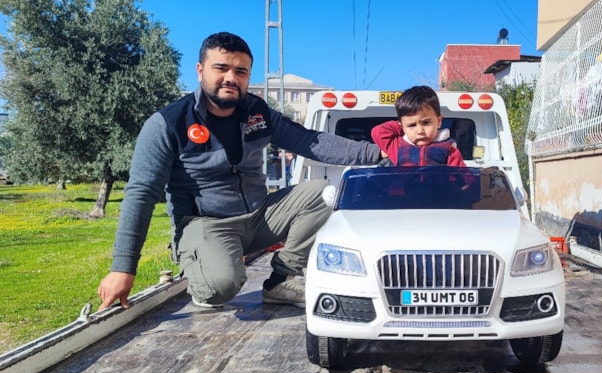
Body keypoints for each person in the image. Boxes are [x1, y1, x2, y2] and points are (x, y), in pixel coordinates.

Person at [97, 32, 385, 310]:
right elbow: (141, 194)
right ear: (200, 70)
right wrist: (123, 267)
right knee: (221, 288)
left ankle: (281, 281)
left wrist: (380, 154)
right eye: (221, 68)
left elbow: (310, 141)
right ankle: (206, 266)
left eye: (241, 71)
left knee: (323, 194)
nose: (231, 78)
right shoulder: (167, 123)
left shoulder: (257, 112)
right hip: (207, 224)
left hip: (259, 217)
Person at [371, 85, 466, 167]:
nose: (420, 131)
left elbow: (464, 179)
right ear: (403, 126)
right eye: (412, 125)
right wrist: (403, 126)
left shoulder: (449, 149)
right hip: (405, 189)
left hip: (435, 188)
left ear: (439, 121)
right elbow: (378, 132)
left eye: (426, 123)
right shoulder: (397, 147)